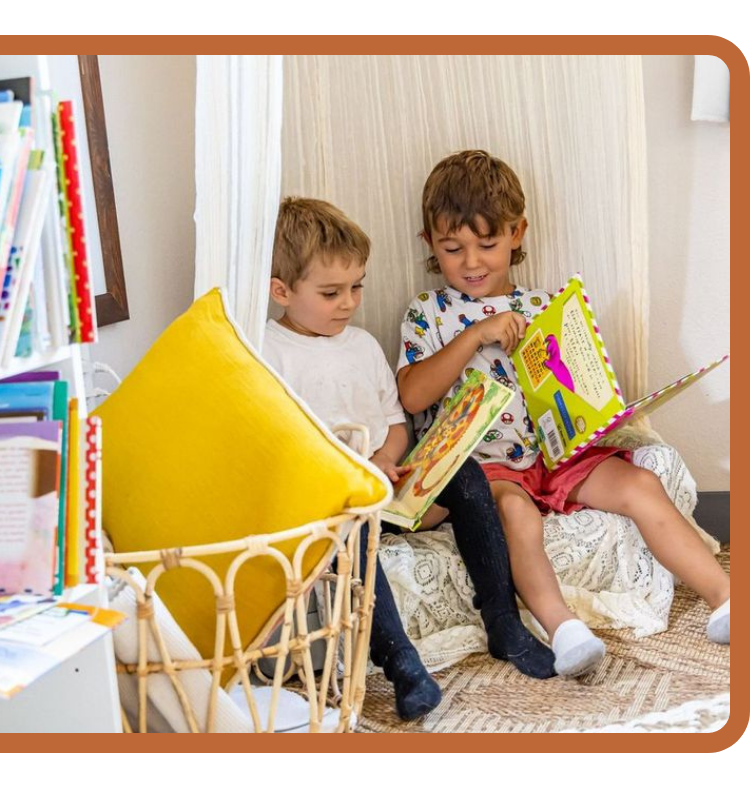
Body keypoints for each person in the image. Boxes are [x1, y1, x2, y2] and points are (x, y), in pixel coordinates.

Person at [397, 150, 730, 677]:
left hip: (554, 456)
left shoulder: (544, 306)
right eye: (453, 248)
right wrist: (476, 335)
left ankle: (725, 597)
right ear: (429, 243)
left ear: (517, 232)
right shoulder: (429, 312)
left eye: (488, 244)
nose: (472, 262)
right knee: (517, 515)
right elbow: (414, 396)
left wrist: (601, 410)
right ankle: (564, 630)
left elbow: (576, 390)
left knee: (640, 485)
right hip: (485, 469)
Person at [263, 197, 555, 720]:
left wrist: (385, 457)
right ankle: (401, 663)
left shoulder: (361, 345)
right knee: (348, 530)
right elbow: (278, 445)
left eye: (356, 287)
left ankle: (503, 622)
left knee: (465, 473)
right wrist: (354, 473)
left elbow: (396, 424)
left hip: (387, 484)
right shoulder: (268, 351)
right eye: (331, 293)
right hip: (332, 500)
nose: (348, 303)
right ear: (281, 291)